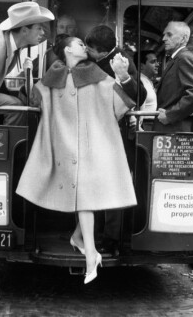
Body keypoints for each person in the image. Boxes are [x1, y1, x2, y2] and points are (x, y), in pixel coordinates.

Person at [16, 35, 137, 284]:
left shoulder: (95, 72)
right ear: (68, 50)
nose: (84, 47)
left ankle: (79, 240)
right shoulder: (53, 75)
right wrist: (26, 73)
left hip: (93, 145)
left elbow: (122, 101)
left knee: (93, 194)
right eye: (80, 43)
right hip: (65, 147)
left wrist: (123, 76)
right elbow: (33, 100)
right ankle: (90, 253)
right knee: (87, 196)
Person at [85, 24, 146, 256]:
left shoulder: (122, 61)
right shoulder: (100, 58)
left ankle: (112, 239)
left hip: (113, 136)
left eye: (90, 49)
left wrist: (123, 76)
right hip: (97, 133)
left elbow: (141, 95)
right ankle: (100, 234)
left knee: (110, 187)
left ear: (100, 51)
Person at [154, 21, 193, 132]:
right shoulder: (177, 58)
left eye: (169, 34)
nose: (164, 38)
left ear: (183, 38)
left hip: (178, 129)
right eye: (164, 34)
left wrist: (170, 115)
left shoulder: (184, 58)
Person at [130, 50, 159, 131]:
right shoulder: (138, 81)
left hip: (150, 126)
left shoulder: (147, 81)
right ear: (141, 66)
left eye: (157, 61)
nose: (157, 65)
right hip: (143, 127)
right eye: (153, 62)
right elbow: (130, 107)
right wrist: (138, 129)